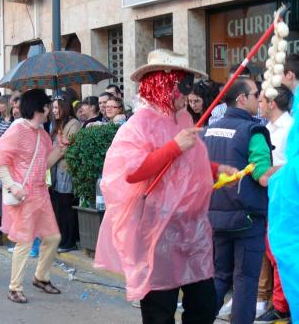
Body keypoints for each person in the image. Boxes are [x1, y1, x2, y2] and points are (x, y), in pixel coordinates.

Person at [95, 49, 236, 323]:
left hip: (192, 231)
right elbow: (132, 171)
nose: (188, 94)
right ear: (163, 83)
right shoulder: (138, 124)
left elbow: (189, 166)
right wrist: (173, 147)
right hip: (156, 233)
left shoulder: (183, 119)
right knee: (160, 310)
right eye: (182, 85)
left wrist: (219, 170)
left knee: (204, 305)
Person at [0, 89, 67, 304]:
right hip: (23, 195)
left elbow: (44, 164)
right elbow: (1, 161)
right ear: (41, 108)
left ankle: (41, 278)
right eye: (47, 106)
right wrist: (12, 186)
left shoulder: (43, 134)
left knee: (53, 237)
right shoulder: (17, 131)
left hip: (40, 193)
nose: (50, 111)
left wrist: (59, 150)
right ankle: (14, 287)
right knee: (24, 241)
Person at [202, 78, 273, 324]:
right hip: (246, 219)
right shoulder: (253, 132)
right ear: (242, 98)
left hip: (215, 217)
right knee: (245, 280)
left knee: (220, 276)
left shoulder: (209, 129)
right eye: (256, 94)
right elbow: (263, 177)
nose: (259, 98)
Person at [254, 85, 293, 323]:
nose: (258, 104)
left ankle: (282, 306)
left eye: (261, 100)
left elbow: (293, 165)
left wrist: (270, 172)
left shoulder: (290, 129)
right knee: (270, 252)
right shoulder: (267, 128)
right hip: (269, 198)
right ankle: (276, 302)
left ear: (272, 103)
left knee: (280, 252)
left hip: (285, 200)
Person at [49, 95, 81, 253]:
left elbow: (65, 148)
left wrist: (48, 161)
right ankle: (62, 239)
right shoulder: (56, 125)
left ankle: (70, 241)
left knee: (67, 206)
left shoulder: (74, 124)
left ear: (64, 107)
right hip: (55, 170)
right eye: (53, 107)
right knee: (59, 207)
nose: (54, 110)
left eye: (56, 107)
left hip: (66, 170)